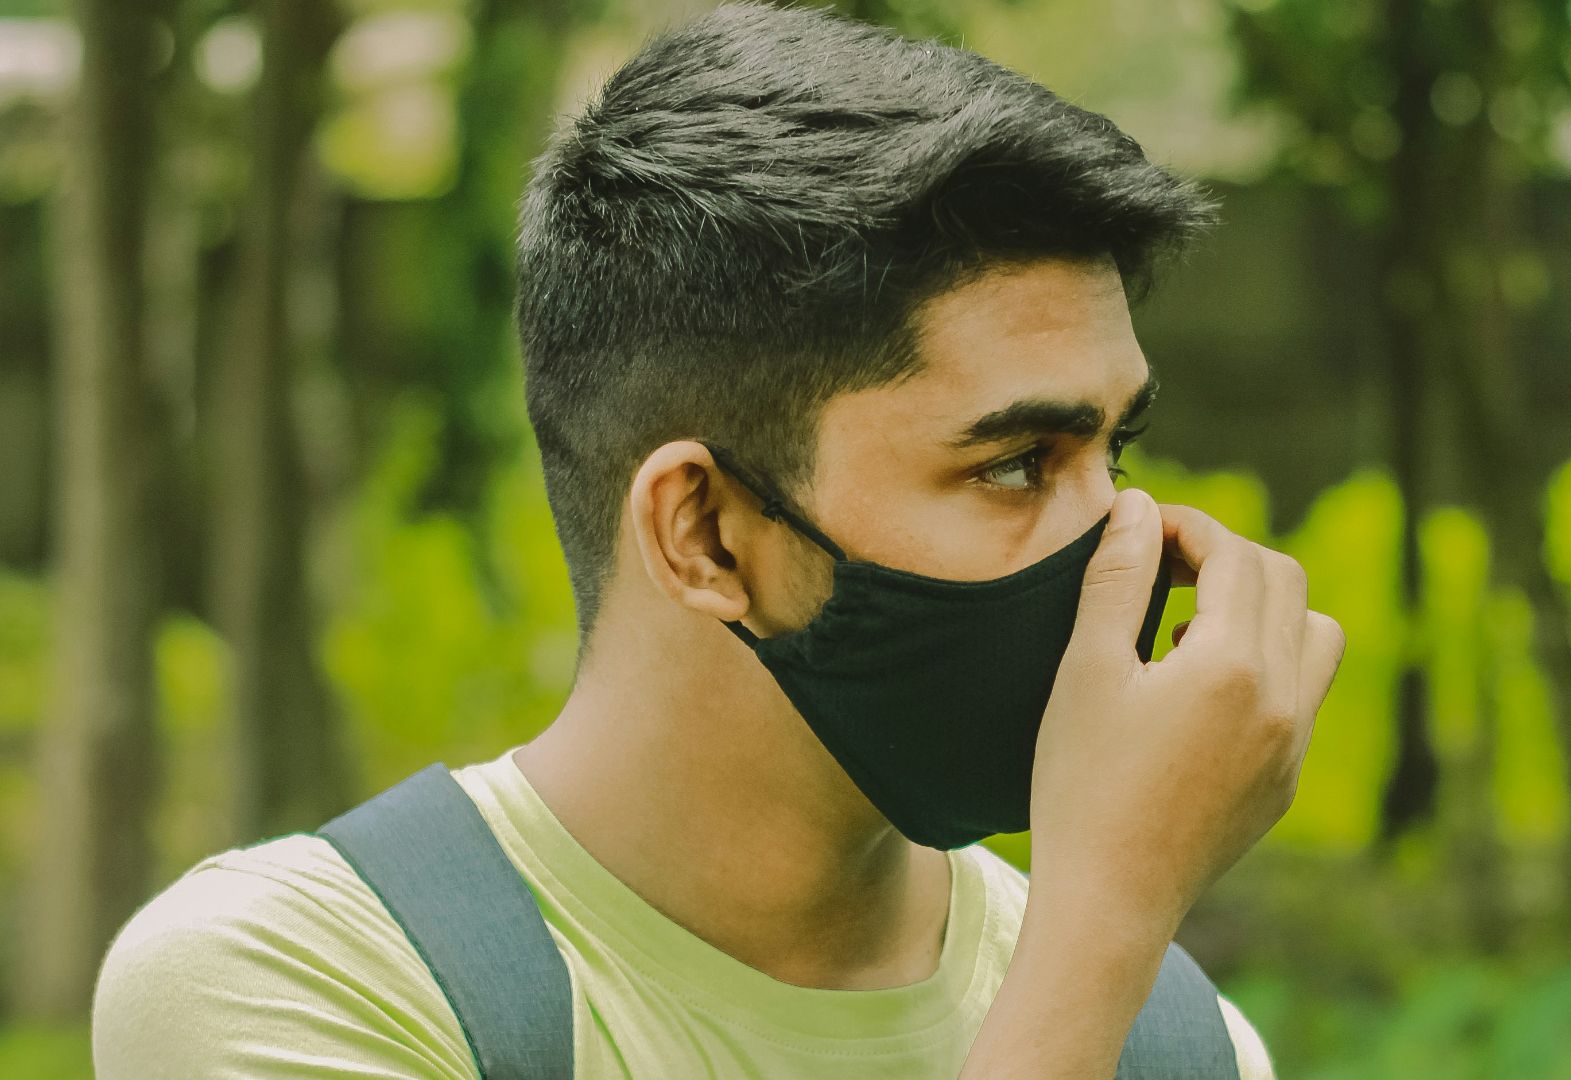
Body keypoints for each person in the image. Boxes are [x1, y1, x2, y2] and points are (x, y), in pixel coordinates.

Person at [91, 3, 1343, 1077]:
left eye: (1114, 454)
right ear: (703, 533)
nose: (1123, 541)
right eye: (1017, 463)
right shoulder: (298, 981)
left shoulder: (1181, 1044)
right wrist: (1106, 928)